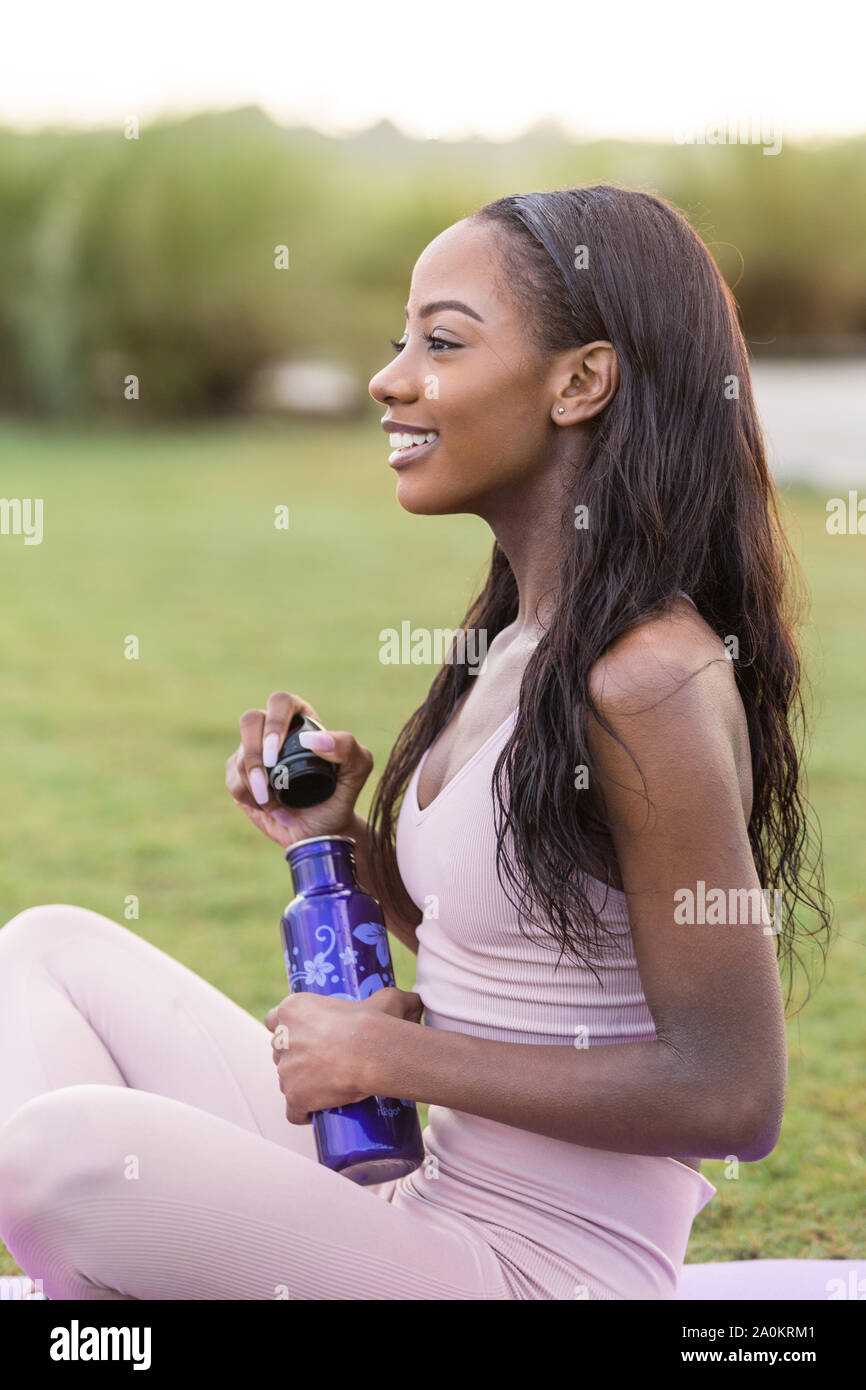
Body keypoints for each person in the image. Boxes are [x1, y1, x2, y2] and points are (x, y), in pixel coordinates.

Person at [0, 184, 832, 1300]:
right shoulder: (519, 638)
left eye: (440, 341)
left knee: (63, 1157)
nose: (390, 378)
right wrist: (329, 838)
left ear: (578, 380)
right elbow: (511, 943)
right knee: (48, 948)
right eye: (401, 340)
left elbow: (734, 1094)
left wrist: (391, 1057)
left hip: (539, 1273)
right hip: (422, 1200)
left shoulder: (645, 680)